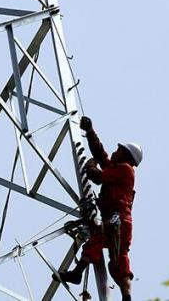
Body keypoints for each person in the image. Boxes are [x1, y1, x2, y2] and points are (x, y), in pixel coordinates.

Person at [56, 116, 142, 301]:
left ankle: (78, 274)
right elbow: (101, 154)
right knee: (118, 261)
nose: (115, 151)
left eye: (119, 149)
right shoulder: (117, 167)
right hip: (120, 222)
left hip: (117, 220)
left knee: (100, 241)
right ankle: (125, 296)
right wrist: (90, 132)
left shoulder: (125, 170)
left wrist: (90, 165)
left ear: (126, 154)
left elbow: (97, 176)